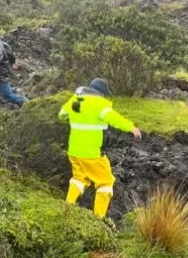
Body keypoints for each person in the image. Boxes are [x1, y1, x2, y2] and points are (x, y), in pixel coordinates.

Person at [58, 78, 141, 219]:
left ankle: (68, 207)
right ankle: (98, 219)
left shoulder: (75, 99)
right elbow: (114, 119)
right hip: (92, 154)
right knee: (106, 182)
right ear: (101, 92)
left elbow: (62, 115)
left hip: (74, 151)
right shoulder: (99, 103)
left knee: (79, 178)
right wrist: (131, 127)